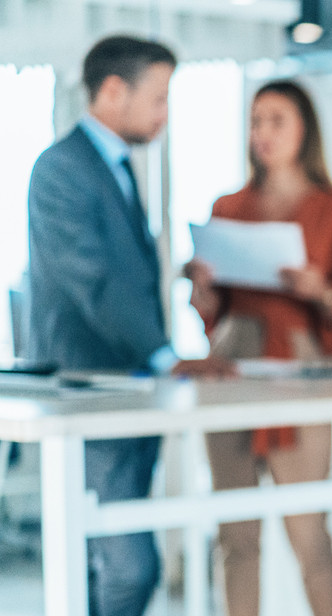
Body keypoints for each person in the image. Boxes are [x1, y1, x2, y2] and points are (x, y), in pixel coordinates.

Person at [27, 35, 234, 616]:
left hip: (128, 388)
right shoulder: (62, 168)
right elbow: (93, 281)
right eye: (160, 97)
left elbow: (115, 272)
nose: (164, 113)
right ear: (114, 91)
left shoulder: (113, 167)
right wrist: (168, 355)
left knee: (112, 560)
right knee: (127, 567)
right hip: (87, 389)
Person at [185, 80, 332, 616]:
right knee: (236, 533)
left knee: (308, 530)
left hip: (300, 364)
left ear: (304, 130)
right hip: (231, 364)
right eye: (255, 120)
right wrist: (199, 287)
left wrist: (321, 291)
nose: (262, 133)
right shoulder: (227, 204)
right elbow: (211, 312)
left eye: (276, 121)